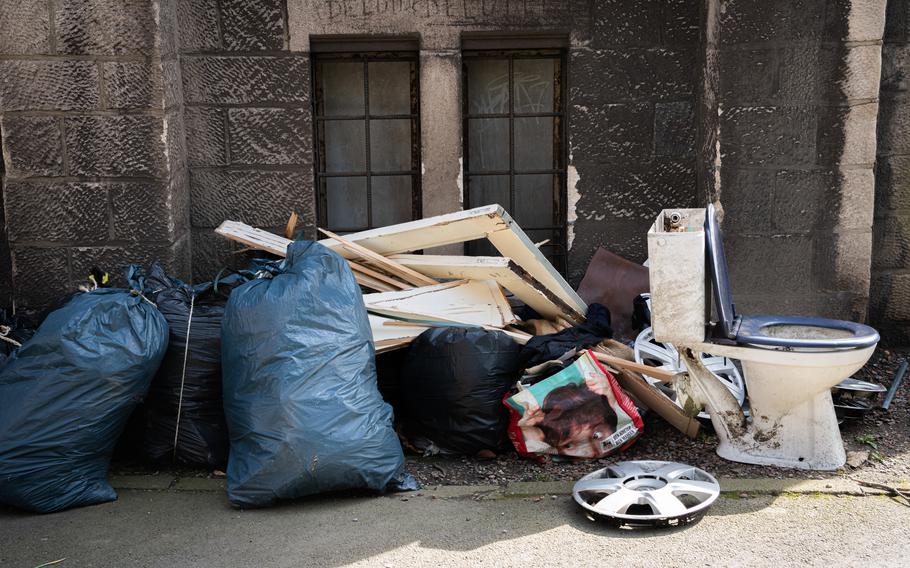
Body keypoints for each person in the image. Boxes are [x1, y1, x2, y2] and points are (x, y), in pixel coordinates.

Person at [516, 370, 619, 458]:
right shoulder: (546, 443)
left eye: (597, 435)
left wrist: (613, 399)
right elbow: (534, 444)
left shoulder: (611, 409)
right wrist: (529, 431)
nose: (591, 452)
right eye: (568, 445)